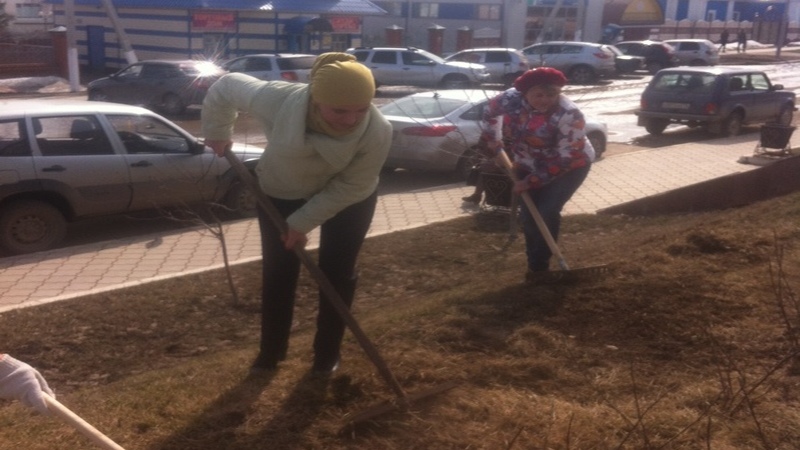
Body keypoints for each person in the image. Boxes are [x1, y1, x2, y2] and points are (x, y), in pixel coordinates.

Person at [201, 53, 392, 374]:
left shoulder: (378, 130)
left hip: (349, 197)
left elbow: (353, 185)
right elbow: (227, 86)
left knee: (337, 274)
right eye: (340, 110)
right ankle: (271, 352)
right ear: (316, 99)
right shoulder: (277, 98)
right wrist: (217, 128)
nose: (351, 120)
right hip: (283, 189)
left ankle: (326, 354)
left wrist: (302, 222)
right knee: (278, 271)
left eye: (361, 109)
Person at [479, 67, 594, 282]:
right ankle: (536, 269)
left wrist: (531, 181)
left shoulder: (569, 114)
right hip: (527, 161)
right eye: (538, 95)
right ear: (525, 93)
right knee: (529, 217)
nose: (545, 100)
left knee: (547, 211)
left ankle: (541, 267)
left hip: (570, 165)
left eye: (551, 95)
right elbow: (489, 112)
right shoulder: (510, 100)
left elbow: (566, 156)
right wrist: (494, 139)